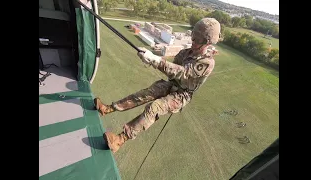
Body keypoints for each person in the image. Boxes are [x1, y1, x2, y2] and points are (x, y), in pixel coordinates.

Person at [94, 18, 221, 153]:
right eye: (193, 37)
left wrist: (156, 61)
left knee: (154, 108)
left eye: (198, 40)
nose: (193, 41)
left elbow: (183, 73)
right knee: (144, 94)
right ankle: (107, 109)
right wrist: (150, 58)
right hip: (172, 84)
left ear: (207, 42)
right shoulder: (185, 52)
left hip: (182, 94)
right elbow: (171, 69)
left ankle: (120, 139)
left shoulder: (207, 62)